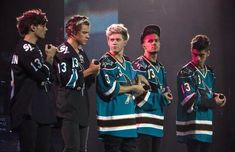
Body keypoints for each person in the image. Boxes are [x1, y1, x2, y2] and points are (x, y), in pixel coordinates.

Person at [10, 9, 58, 152]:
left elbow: (48, 77)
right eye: (43, 25)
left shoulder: (33, 49)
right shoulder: (26, 49)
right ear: (33, 27)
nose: (46, 29)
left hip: (39, 110)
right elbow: (43, 75)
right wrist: (49, 58)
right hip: (28, 112)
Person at [96, 24, 149, 152]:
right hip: (113, 125)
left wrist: (139, 76)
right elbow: (110, 89)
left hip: (129, 124)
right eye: (111, 39)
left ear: (125, 41)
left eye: (118, 39)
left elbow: (129, 75)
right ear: (108, 41)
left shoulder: (128, 62)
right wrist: (134, 87)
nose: (114, 42)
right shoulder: (105, 62)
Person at [53, 15, 100, 152]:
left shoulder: (81, 53)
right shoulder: (62, 51)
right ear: (73, 32)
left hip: (82, 108)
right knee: (71, 148)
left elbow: (86, 83)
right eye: (84, 32)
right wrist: (89, 71)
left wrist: (93, 73)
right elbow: (66, 79)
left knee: (82, 149)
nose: (88, 36)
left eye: (88, 32)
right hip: (68, 109)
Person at [176, 34, 226, 152]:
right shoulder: (185, 72)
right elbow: (189, 100)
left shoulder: (210, 73)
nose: (198, 58)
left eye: (201, 55)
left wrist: (216, 97)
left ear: (208, 53)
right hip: (192, 127)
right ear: (191, 51)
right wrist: (213, 102)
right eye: (195, 54)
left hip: (206, 126)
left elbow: (206, 93)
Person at [132, 25, 173, 152]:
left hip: (158, 124)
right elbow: (138, 97)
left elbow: (164, 92)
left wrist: (167, 97)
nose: (154, 43)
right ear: (144, 45)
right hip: (142, 124)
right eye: (150, 41)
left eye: (156, 40)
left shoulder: (161, 68)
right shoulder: (138, 65)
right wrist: (161, 98)